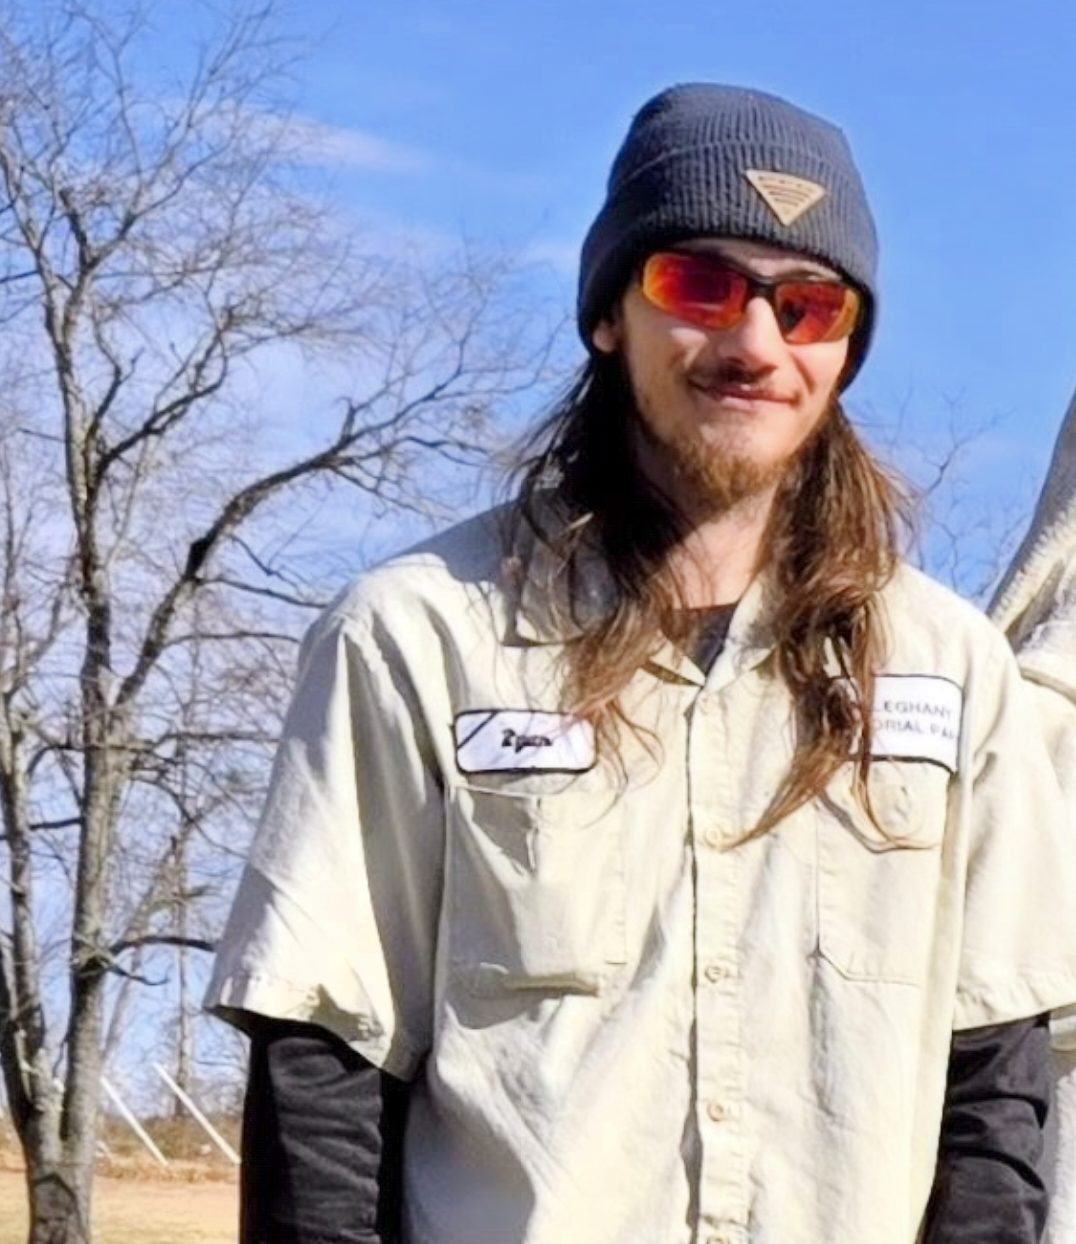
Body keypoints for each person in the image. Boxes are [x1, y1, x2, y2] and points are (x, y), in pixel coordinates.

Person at [206, 84, 1076, 1244]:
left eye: (807, 304)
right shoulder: (416, 638)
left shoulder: (951, 672)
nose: (754, 344)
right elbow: (324, 1062)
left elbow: (994, 1091)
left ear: (844, 348)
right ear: (609, 311)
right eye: (698, 285)